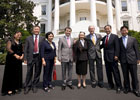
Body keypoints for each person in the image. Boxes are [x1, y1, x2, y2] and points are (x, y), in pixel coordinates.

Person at [119, 26, 140, 97]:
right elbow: (119, 50)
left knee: (134, 75)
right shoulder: (119, 40)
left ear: (127, 31)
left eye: (125, 30)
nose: (124, 32)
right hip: (123, 60)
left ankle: (136, 89)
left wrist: (138, 59)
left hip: (132, 59)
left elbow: (136, 49)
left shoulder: (133, 39)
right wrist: (119, 58)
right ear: (121, 31)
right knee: (125, 75)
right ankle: (127, 88)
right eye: (122, 30)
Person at [101, 25, 122, 94]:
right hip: (106, 58)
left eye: (108, 29)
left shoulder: (115, 37)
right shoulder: (104, 38)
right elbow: (101, 46)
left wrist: (116, 55)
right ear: (104, 30)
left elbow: (117, 47)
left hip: (113, 57)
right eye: (106, 29)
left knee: (115, 72)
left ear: (111, 29)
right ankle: (111, 85)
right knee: (108, 73)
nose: (107, 30)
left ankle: (119, 86)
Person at [24, 26, 45, 94]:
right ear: (33, 30)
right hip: (30, 57)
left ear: (39, 30)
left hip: (38, 57)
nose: (36, 30)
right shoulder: (28, 38)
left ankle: (34, 85)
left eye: (37, 29)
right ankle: (27, 86)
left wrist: (43, 58)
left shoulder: (42, 38)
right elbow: (25, 49)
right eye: (35, 29)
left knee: (37, 72)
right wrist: (25, 58)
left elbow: (43, 49)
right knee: (29, 72)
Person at [1, 32, 23, 96]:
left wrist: (22, 56)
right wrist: (15, 55)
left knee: (17, 74)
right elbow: (8, 49)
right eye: (17, 34)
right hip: (11, 60)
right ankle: (9, 89)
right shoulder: (10, 41)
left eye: (20, 35)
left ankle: (15, 88)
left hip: (18, 60)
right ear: (14, 35)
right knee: (10, 74)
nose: (19, 36)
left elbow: (22, 50)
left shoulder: (20, 42)